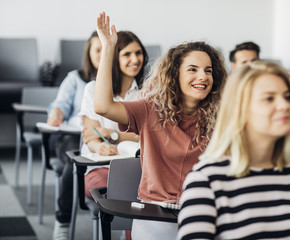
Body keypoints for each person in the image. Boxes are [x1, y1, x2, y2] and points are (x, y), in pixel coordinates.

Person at [94, 12, 227, 240]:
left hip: (203, 213)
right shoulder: (149, 109)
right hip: (154, 215)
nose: (202, 76)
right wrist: (108, 49)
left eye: (208, 71)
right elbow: (103, 106)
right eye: (193, 69)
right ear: (175, 74)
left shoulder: (222, 116)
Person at [178, 61, 290, 239]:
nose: (284, 105)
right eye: (269, 98)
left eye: (287, 97)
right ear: (240, 110)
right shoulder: (206, 180)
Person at [79, 30, 148, 200]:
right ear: (114, 58)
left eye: (138, 53)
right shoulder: (93, 90)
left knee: (142, 192)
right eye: (127, 54)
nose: (135, 60)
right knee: (118, 191)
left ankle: (132, 228)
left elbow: (146, 136)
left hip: (137, 166)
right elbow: (91, 135)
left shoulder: (147, 92)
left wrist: (111, 134)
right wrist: (99, 147)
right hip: (100, 166)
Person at [47, 31, 101, 240]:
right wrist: (56, 113)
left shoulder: (118, 80)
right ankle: (62, 221)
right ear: (89, 52)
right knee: (74, 162)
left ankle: (125, 225)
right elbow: (59, 105)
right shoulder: (74, 79)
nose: (102, 53)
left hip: (101, 137)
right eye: (98, 49)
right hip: (71, 137)